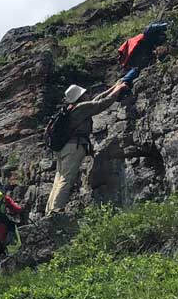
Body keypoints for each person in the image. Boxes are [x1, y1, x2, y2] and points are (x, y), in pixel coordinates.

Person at [45, 81, 129, 215]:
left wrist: (113, 87)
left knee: (59, 179)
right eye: (84, 93)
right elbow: (101, 104)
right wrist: (118, 90)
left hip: (62, 149)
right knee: (67, 179)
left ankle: (49, 210)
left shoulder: (71, 108)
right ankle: (55, 211)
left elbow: (96, 100)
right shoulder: (82, 107)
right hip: (74, 147)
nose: (87, 94)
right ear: (80, 96)